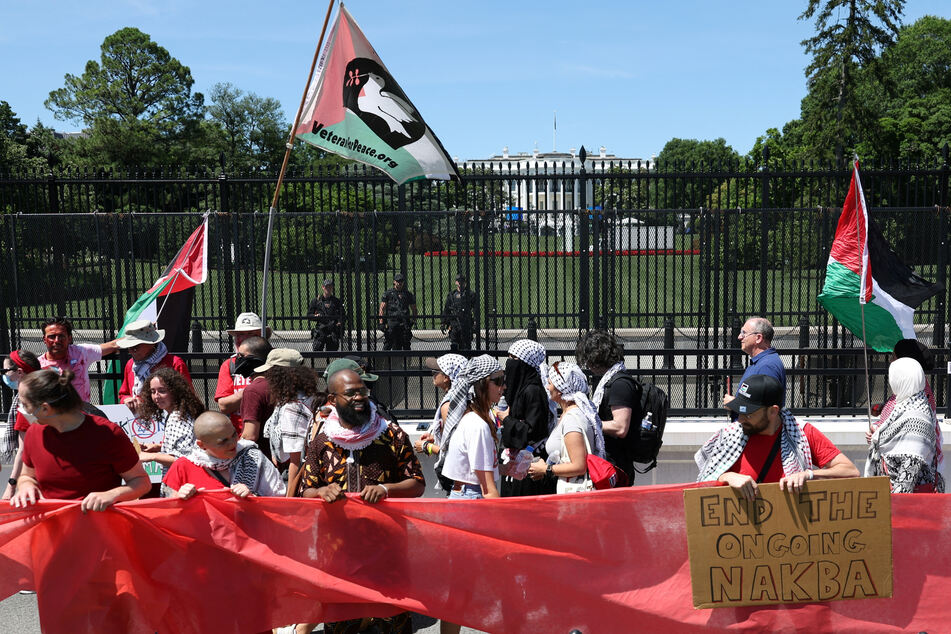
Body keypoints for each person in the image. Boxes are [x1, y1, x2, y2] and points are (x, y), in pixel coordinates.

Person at [295, 368, 424, 634]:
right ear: (332, 399)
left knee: (392, 624)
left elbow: (418, 483)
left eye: (362, 391)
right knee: (343, 624)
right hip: (340, 556)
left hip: (388, 555)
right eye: (351, 393)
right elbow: (305, 490)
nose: (359, 398)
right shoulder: (322, 442)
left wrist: (386, 489)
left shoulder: (393, 436)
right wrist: (321, 492)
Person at [696, 374, 859, 501]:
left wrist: (808, 475)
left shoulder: (802, 433)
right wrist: (727, 477)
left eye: (748, 414)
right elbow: (702, 484)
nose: (740, 419)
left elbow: (851, 472)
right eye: (739, 412)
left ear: (773, 411)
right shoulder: (729, 436)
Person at [9, 369, 150, 510]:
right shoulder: (34, 433)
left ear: (45, 409)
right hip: (51, 527)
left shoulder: (107, 434)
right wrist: (26, 485)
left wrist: (112, 494)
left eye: (25, 404)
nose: (21, 410)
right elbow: (27, 476)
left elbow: (142, 482)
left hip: (99, 528)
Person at [866, 357, 945, 493]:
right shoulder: (904, 405)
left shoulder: (917, 417)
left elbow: (910, 467)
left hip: (905, 504)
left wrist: (892, 506)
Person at [163, 412, 285, 499]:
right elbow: (166, 512)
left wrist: (252, 497)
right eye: (223, 441)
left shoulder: (253, 457)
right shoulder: (182, 466)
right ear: (202, 445)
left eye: (234, 434)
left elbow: (278, 502)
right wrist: (178, 497)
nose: (233, 442)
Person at [528, 362, 607, 493]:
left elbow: (579, 466)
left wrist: (546, 469)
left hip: (574, 495)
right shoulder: (570, 414)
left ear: (560, 389)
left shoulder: (572, 419)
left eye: (550, 383)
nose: (547, 387)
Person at [575, 329, 641, 483]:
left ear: (597, 357)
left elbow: (620, 427)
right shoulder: (611, 381)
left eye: (588, 359)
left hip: (616, 468)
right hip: (610, 464)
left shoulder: (619, 384)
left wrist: (587, 423)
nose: (588, 365)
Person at [436, 354, 505, 500]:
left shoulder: (473, 419)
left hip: (466, 493)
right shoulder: (477, 425)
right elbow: (487, 490)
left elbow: (473, 469)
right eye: (498, 381)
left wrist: (506, 469)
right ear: (482, 384)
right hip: (471, 496)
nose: (504, 386)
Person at [498, 339, 557, 496]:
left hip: (529, 465)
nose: (510, 363)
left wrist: (506, 419)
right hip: (515, 463)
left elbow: (533, 430)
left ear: (526, 363)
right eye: (509, 357)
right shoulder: (522, 389)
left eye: (515, 359)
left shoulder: (533, 391)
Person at [259, 349, 321, 485]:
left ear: (279, 375)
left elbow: (297, 458)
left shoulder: (292, 408)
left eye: (270, 373)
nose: (266, 377)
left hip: (295, 475)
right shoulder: (306, 397)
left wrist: (290, 496)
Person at [136, 366, 207, 483]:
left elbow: (184, 459)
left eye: (162, 391)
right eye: (153, 392)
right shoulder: (177, 414)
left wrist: (151, 456)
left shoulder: (178, 418)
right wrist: (158, 447)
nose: (156, 396)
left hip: (182, 484)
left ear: (175, 391)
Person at [415, 354, 468, 493]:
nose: (433, 375)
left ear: (446, 377)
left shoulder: (450, 405)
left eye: (435, 372)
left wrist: (428, 446)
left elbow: (454, 452)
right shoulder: (465, 400)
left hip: (459, 483)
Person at [117, 320, 191, 415]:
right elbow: (124, 393)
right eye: (129, 347)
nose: (131, 351)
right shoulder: (130, 364)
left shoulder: (175, 363)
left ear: (151, 343)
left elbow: (186, 396)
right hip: (137, 421)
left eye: (135, 347)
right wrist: (127, 400)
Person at [39, 316, 119, 403]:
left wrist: (134, 338)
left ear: (69, 338)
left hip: (82, 411)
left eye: (61, 336)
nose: (57, 340)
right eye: (52, 337)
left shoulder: (81, 353)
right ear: (44, 339)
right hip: (53, 414)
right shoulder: (38, 365)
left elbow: (113, 345)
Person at [214, 312, 272, 432]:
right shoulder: (229, 365)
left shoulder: (275, 361)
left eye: (251, 334)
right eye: (240, 334)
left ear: (262, 336)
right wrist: (252, 391)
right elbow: (223, 405)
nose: (245, 339)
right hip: (240, 437)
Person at [1, 350, 41, 500]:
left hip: (40, 475)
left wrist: (11, 486)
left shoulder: (27, 405)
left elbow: (23, 450)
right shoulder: (50, 391)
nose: (4, 375)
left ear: (19, 372)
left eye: (5, 370)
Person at [724, 317, 786, 411]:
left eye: (744, 333)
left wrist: (733, 404)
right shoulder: (760, 362)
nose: (739, 337)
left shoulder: (767, 367)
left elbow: (763, 411)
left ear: (758, 338)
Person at [237, 336, 275, 460]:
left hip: (263, 462)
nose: (237, 361)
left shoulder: (253, 391)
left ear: (256, 360)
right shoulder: (280, 384)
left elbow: (250, 436)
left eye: (241, 356)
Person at [378, 273, 417, 351]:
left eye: (401, 281)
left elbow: (414, 309)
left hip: (404, 322)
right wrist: (381, 323)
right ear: (394, 282)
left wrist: (413, 321)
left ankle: (406, 362)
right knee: (388, 343)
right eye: (398, 281)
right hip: (392, 322)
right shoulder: (388, 294)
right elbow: (382, 308)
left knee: (406, 344)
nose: (399, 283)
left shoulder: (408, 294)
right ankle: (382, 362)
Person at [441, 274, 477, 351]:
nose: (460, 283)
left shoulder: (470, 294)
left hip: (466, 324)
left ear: (465, 282)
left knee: (466, 347)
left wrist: (475, 322)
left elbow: (475, 309)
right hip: (454, 325)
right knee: (454, 346)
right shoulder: (451, 295)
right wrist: (443, 323)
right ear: (456, 282)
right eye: (458, 281)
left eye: (462, 281)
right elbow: (446, 309)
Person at [308, 278, 345, 352]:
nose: (328, 288)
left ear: (332, 288)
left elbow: (343, 315)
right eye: (326, 286)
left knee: (332, 352)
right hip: (321, 330)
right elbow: (309, 315)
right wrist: (315, 317)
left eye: (330, 287)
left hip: (332, 330)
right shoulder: (316, 301)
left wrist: (339, 322)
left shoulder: (336, 301)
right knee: (317, 350)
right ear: (323, 287)